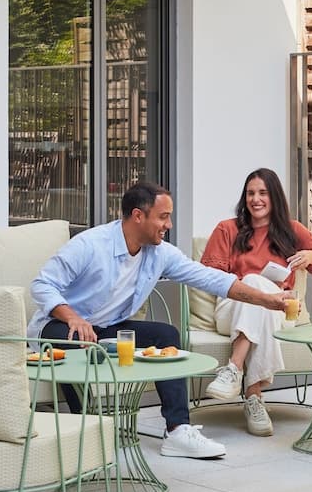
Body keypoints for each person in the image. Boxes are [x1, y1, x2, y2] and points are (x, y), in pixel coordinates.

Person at [28, 181, 289, 459]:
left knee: (166, 335)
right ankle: (87, 427)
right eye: (163, 217)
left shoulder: (160, 252)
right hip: (58, 327)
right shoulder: (90, 244)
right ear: (138, 216)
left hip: (108, 329)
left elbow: (212, 279)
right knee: (78, 339)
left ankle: (178, 430)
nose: (169, 224)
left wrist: (267, 300)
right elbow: (42, 285)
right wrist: (73, 318)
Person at [200, 168, 312, 436]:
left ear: (274, 196)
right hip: (232, 309)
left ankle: (234, 373)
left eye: (263, 193)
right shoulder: (227, 229)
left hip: (280, 312)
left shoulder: (293, 230)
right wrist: (250, 286)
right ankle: (252, 394)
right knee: (254, 282)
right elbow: (209, 277)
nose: (256, 199)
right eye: (250, 193)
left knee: (260, 294)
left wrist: (311, 256)